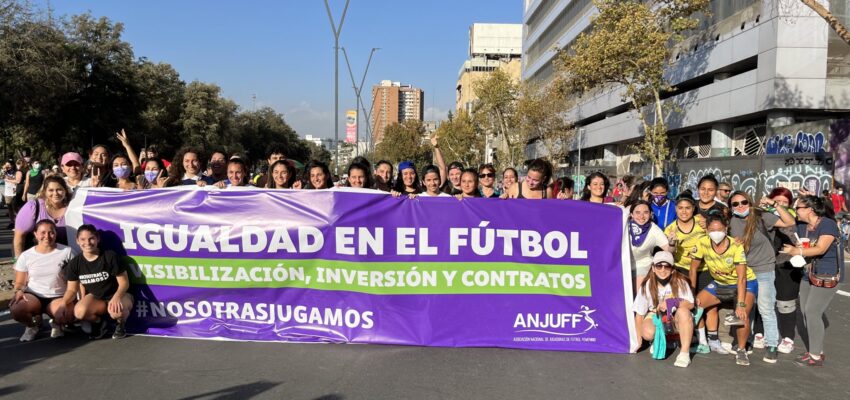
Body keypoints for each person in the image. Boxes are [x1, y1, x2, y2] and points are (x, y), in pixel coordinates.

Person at [727, 190, 795, 363]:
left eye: (744, 202)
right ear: (731, 207)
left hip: (764, 269)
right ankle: (744, 342)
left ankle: (772, 344)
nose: (740, 206)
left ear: (750, 202)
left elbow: (790, 221)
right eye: (735, 204)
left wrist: (774, 204)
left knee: (765, 308)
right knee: (745, 309)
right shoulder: (731, 221)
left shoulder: (762, 216)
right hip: (744, 271)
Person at [782, 195, 843, 366]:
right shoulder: (802, 226)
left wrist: (797, 251)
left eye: (798, 208)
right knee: (806, 312)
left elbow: (821, 248)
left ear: (810, 209)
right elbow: (786, 220)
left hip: (827, 274)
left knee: (812, 312)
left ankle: (815, 355)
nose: (796, 211)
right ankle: (816, 349)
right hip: (808, 273)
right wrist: (774, 205)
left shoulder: (827, 224)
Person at [691, 214, 757, 365]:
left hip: (745, 283)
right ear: (707, 230)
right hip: (720, 282)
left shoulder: (735, 245)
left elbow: (742, 278)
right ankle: (705, 341)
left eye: (720, 229)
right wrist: (692, 293)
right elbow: (693, 269)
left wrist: (740, 304)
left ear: (726, 229)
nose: (716, 233)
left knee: (741, 316)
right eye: (712, 230)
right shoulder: (702, 242)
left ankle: (741, 350)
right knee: (696, 305)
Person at [63, 224, 134, 339]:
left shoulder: (110, 256)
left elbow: (124, 283)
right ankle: (100, 323)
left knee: (116, 311)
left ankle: (120, 324)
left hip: (119, 294)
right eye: (83, 239)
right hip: (96, 298)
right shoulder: (74, 263)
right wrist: (63, 303)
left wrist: (116, 297)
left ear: (97, 239)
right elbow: (71, 290)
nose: (88, 242)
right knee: (79, 312)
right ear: (77, 241)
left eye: (91, 238)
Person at [9, 220, 77, 341]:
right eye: (43, 232)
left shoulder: (67, 252)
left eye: (51, 232)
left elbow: (75, 279)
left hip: (59, 296)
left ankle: (56, 323)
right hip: (34, 295)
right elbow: (20, 282)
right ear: (35, 234)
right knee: (16, 309)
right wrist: (18, 291)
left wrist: (69, 300)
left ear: (56, 234)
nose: (47, 236)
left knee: (69, 315)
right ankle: (34, 325)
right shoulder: (26, 255)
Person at [664, 191, 710, 353]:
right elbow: (668, 253)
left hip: (704, 268)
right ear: (676, 209)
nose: (684, 211)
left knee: (701, 304)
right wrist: (671, 243)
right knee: (684, 304)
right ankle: (675, 336)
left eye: (688, 208)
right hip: (681, 270)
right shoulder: (670, 229)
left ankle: (703, 340)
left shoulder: (701, 223)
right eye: (681, 208)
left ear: (693, 209)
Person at [633, 251, 695, 368]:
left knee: (683, 312)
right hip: (656, 315)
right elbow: (639, 314)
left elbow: (691, 304)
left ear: (672, 269)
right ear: (653, 268)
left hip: (676, 316)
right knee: (647, 333)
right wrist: (638, 342)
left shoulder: (681, 282)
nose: (662, 269)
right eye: (659, 266)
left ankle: (684, 353)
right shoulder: (647, 285)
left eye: (667, 266)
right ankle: (661, 339)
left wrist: (672, 302)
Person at [762, 187, 801, 355]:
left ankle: (787, 337)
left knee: (786, 303)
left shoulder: (795, 219)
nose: (781, 205)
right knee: (764, 302)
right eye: (778, 201)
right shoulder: (764, 215)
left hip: (788, 264)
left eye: (785, 202)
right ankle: (760, 332)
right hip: (766, 264)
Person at [14, 176, 71, 258]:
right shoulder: (33, 207)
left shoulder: (72, 207)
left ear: (65, 190)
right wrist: (19, 260)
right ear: (45, 192)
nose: (55, 193)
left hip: (64, 256)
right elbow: (19, 235)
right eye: (51, 190)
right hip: (37, 257)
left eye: (59, 189)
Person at [628, 200, 670, 289]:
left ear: (650, 214)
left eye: (645, 212)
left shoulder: (654, 229)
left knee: (637, 290)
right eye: (637, 212)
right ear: (631, 214)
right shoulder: (624, 225)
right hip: (623, 264)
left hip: (642, 264)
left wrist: (672, 243)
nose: (641, 216)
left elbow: (668, 250)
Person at [4, 159, 22, 226]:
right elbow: (1, 176)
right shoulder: (5, 172)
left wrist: (8, 180)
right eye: (6, 165)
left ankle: (19, 221)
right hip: (7, 192)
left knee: (15, 208)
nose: (8, 166)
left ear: (12, 165)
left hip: (14, 191)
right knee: (9, 208)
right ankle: (12, 222)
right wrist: (4, 170)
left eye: (9, 165)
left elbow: (18, 181)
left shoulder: (17, 172)